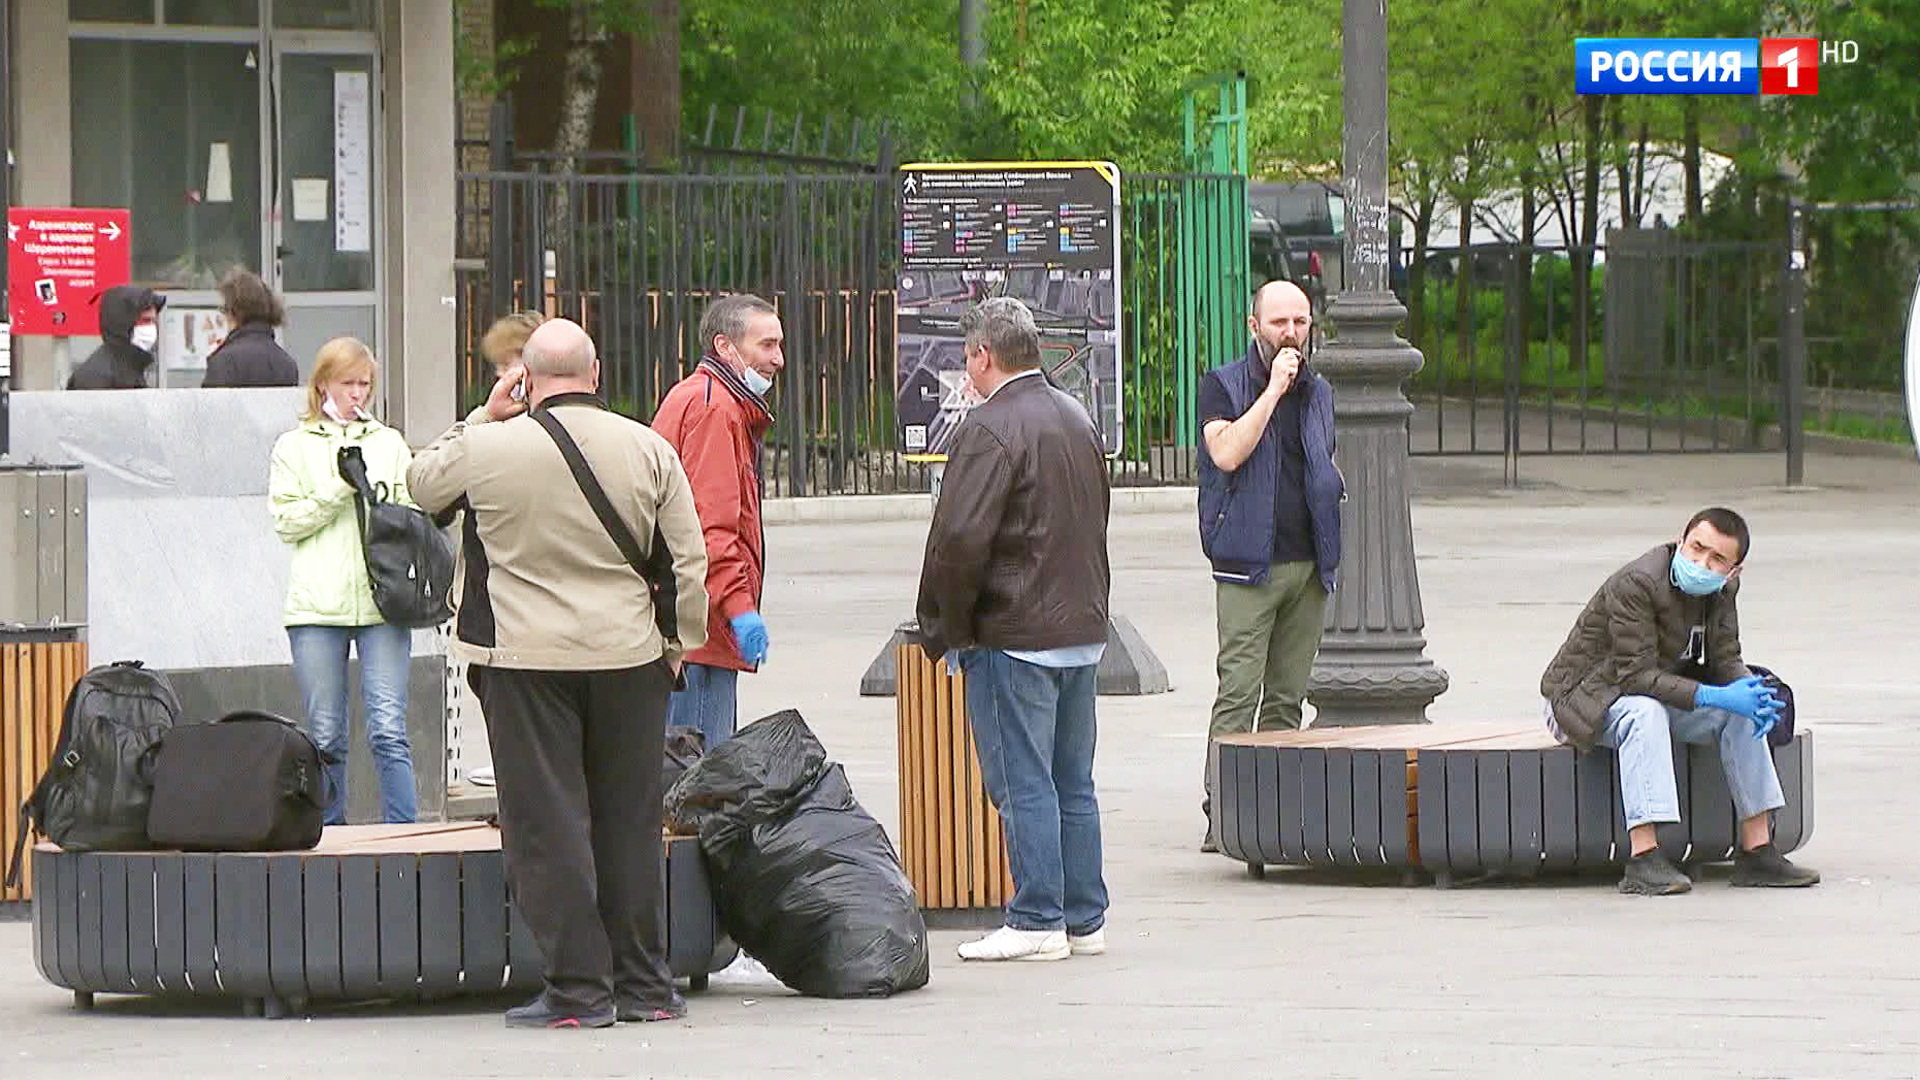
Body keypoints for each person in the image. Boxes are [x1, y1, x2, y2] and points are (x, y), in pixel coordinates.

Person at [407, 318, 710, 1029]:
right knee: (629, 821)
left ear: (527, 379)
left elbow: (423, 486)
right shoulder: (649, 448)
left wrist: (487, 410)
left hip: (524, 660)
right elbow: (687, 563)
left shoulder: (488, 446)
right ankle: (646, 985)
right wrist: (675, 645)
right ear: (597, 373)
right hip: (629, 658)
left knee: (549, 825)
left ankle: (578, 991)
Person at [914, 296, 1112, 963]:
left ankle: (1036, 919)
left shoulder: (987, 428)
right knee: (1071, 781)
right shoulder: (1076, 417)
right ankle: (1085, 918)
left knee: (1022, 781)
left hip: (1015, 632)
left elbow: (959, 541)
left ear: (982, 356)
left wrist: (947, 628)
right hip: (1079, 628)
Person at [1540, 507, 1820, 895]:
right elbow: (1634, 678)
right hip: (1583, 699)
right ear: (1680, 539)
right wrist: (1711, 694)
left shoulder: (1722, 591)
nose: (1701, 562)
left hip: (1658, 690)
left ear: (1733, 571)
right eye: (1696, 548)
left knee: (1741, 711)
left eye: (1717, 558)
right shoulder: (1637, 583)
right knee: (1645, 711)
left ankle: (1758, 852)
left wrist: (1750, 693)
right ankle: (1644, 859)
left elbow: (1726, 658)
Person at [1194, 279, 1342, 852]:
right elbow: (1227, 451)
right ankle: (1225, 810)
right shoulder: (1223, 385)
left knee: (1286, 696)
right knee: (1239, 691)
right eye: (1279, 322)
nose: (1291, 334)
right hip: (1247, 565)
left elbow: (1321, 457)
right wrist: (1274, 392)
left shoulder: (1321, 391)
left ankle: (1272, 811)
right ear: (1253, 326)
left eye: (1300, 322)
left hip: (1308, 565)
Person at [268, 337, 420, 826]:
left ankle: (406, 834)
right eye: (348, 382)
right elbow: (287, 522)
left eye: (365, 384)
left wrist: (381, 500)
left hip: (382, 603)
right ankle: (329, 835)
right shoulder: (293, 446)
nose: (358, 393)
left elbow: (408, 510)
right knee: (327, 733)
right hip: (317, 607)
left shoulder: (388, 442)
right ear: (323, 384)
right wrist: (338, 487)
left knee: (388, 728)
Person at [651, 294, 782, 750]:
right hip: (701, 632)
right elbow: (712, 529)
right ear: (725, 347)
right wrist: (740, 609)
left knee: (678, 774)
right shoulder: (715, 410)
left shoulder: (705, 398)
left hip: (689, 626)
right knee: (701, 778)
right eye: (766, 345)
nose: (777, 359)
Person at [202, 269, 299, 387]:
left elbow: (211, 404)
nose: (224, 317)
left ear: (234, 312)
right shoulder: (287, 364)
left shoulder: (224, 361)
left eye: (224, 310)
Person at [67, 285, 165, 389]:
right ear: (123, 322)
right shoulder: (95, 375)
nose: (151, 328)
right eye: (146, 320)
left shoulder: (131, 367)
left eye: (154, 321)